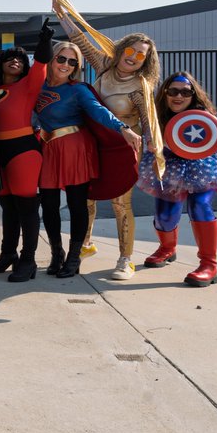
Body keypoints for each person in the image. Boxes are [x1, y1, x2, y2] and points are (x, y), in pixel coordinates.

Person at [56, 3, 162, 280]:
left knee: (120, 204)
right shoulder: (104, 66)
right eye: (130, 50)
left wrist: (151, 145)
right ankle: (85, 244)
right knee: (86, 197)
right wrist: (62, 15)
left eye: (141, 55)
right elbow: (81, 40)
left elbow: (149, 121)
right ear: (121, 50)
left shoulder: (140, 87)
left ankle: (126, 259)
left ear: (145, 61)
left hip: (123, 150)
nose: (134, 57)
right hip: (94, 144)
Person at [37, 42, 143, 278]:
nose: (66, 64)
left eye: (72, 61)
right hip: (48, 148)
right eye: (61, 59)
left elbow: (97, 110)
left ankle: (74, 258)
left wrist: (123, 127)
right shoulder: (38, 85)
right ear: (52, 60)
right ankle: (57, 254)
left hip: (75, 147)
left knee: (77, 204)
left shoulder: (78, 89)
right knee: (49, 205)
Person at [136, 72, 217, 286]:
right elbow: (147, 138)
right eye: (173, 91)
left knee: (199, 205)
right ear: (165, 93)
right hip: (170, 166)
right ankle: (167, 249)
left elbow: (212, 136)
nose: (178, 96)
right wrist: (152, 144)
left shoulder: (202, 115)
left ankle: (209, 265)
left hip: (203, 166)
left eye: (185, 92)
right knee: (165, 216)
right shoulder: (157, 116)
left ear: (193, 95)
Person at [0, 19, 53, 283]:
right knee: (8, 208)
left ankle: (28, 260)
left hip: (23, 148)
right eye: (10, 58)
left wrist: (43, 41)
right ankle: (7, 254)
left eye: (20, 60)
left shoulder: (29, 84)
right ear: (0, 64)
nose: (15, 62)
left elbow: (42, 62)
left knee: (26, 207)